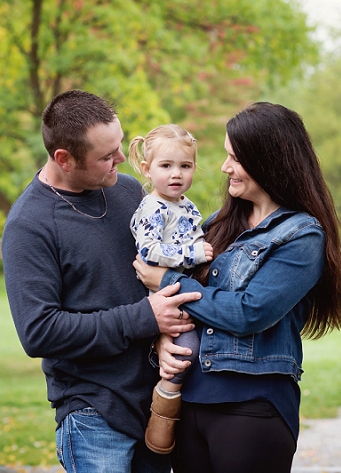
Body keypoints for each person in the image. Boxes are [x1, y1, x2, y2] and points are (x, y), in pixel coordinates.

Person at [133, 102, 341, 473]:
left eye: (235, 157)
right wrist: (163, 338)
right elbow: (185, 308)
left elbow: (250, 312)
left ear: (268, 161)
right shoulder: (219, 222)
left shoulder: (301, 236)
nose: (224, 168)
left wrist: (168, 280)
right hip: (190, 405)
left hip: (251, 407)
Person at [2, 89, 201, 473]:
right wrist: (145, 318)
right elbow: (38, 332)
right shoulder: (30, 225)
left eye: (120, 145)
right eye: (107, 156)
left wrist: (161, 331)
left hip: (155, 406)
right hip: (94, 415)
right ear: (64, 158)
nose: (123, 160)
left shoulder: (128, 192)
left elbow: (145, 282)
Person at [127, 124, 214, 454]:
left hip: (185, 287)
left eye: (185, 166)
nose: (176, 174)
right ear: (148, 170)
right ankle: (164, 407)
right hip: (163, 296)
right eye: (166, 166)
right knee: (186, 349)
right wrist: (193, 253)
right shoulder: (153, 208)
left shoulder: (186, 205)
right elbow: (148, 251)